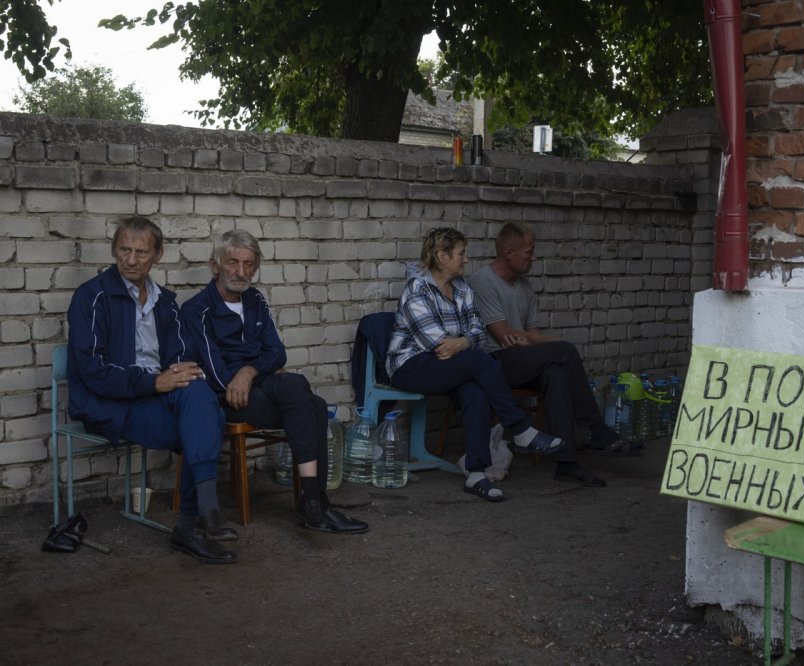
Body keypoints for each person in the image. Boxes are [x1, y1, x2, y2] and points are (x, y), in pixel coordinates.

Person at [67, 216, 237, 564]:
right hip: (113, 404)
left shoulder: (164, 302)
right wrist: (153, 381)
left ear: (157, 255)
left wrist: (178, 373)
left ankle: (203, 512)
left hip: (156, 396)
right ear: (114, 250)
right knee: (202, 423)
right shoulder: (92, 297)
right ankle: (194, 522)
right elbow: (92, 370)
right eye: (124, 250)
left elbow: (178, 357)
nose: (131, 260)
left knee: (197, 390)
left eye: (141, 252)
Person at [181, 230, 368, 535]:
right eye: (232, 263)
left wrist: (249, 370)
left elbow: (277, 352)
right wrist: (245, 375)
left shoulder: (255, 300)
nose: (241, 272)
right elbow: (215, 372)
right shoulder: (196, 310)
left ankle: (314, 503)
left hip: (260, 384)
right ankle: (315, 502)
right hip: (225, 397)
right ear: (214, 265)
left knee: (296, 385)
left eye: (248, 264)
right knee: (315, 406)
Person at [386, 227, 566, 502]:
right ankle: (520, 429)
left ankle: (477, 474)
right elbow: (436, 343)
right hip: (411, 366)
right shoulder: (416, 289)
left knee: (476, 393)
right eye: (461, 253)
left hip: (451, 363)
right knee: (481, 363)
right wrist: (464, 343)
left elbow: (478, 332)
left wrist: (462, 343)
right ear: (441, 256)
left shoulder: (462, 288)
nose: (466, 259)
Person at [467, 222, 644, 487]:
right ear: (508, 252)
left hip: (522, 360)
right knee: (564, 350)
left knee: (556, 373)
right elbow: (504, 336)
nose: (533, 257)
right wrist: (547, 341)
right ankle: (596, 430)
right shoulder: (482, 281)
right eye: (528, 252)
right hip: (494, 363)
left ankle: (567, 463)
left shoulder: (524, 286)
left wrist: (534, 341)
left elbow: (531, 336)